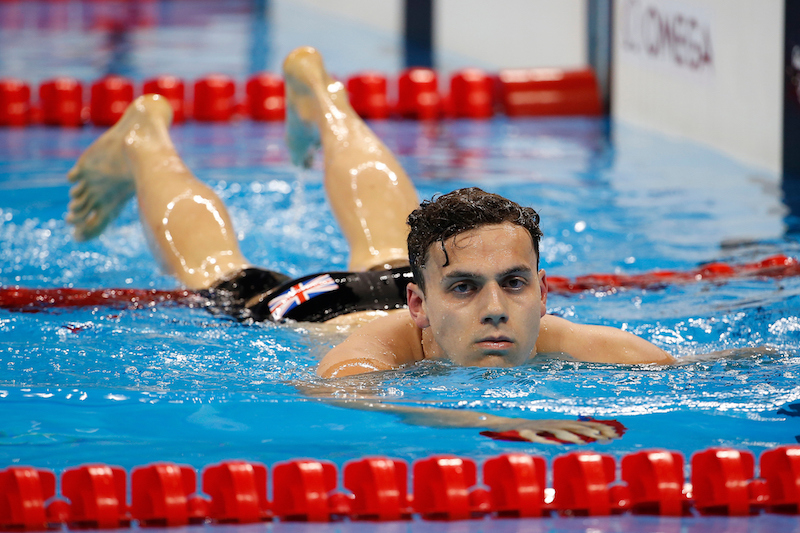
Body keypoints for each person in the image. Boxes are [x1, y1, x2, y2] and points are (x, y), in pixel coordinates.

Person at [66, 47, 672, 443]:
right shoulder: (386, 338)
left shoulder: (536, 326)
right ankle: (145, 141)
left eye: (514, 282)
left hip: (400, 276)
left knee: (388, 236)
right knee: (214, 268)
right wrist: (489, 421)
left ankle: (324, 101)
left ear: (542, 293)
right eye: (467, 287)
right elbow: (336, 389)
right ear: (418, 305)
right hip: (306, 306)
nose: (495, 306)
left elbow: (685, 371)